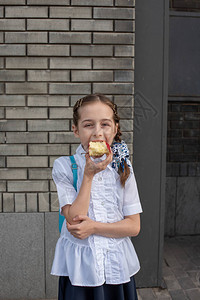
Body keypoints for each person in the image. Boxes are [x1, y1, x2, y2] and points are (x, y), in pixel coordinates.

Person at [51, 93, 143, 300]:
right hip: (80, 271)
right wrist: (88, 175)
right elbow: (74, 221)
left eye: (105, 124)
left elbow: (134, 226)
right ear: (76, 130)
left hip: (117, 268)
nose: (97, 133)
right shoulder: (65, 166)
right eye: (88, 125)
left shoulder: (123, 166)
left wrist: (94, 227)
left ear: (115, 128)